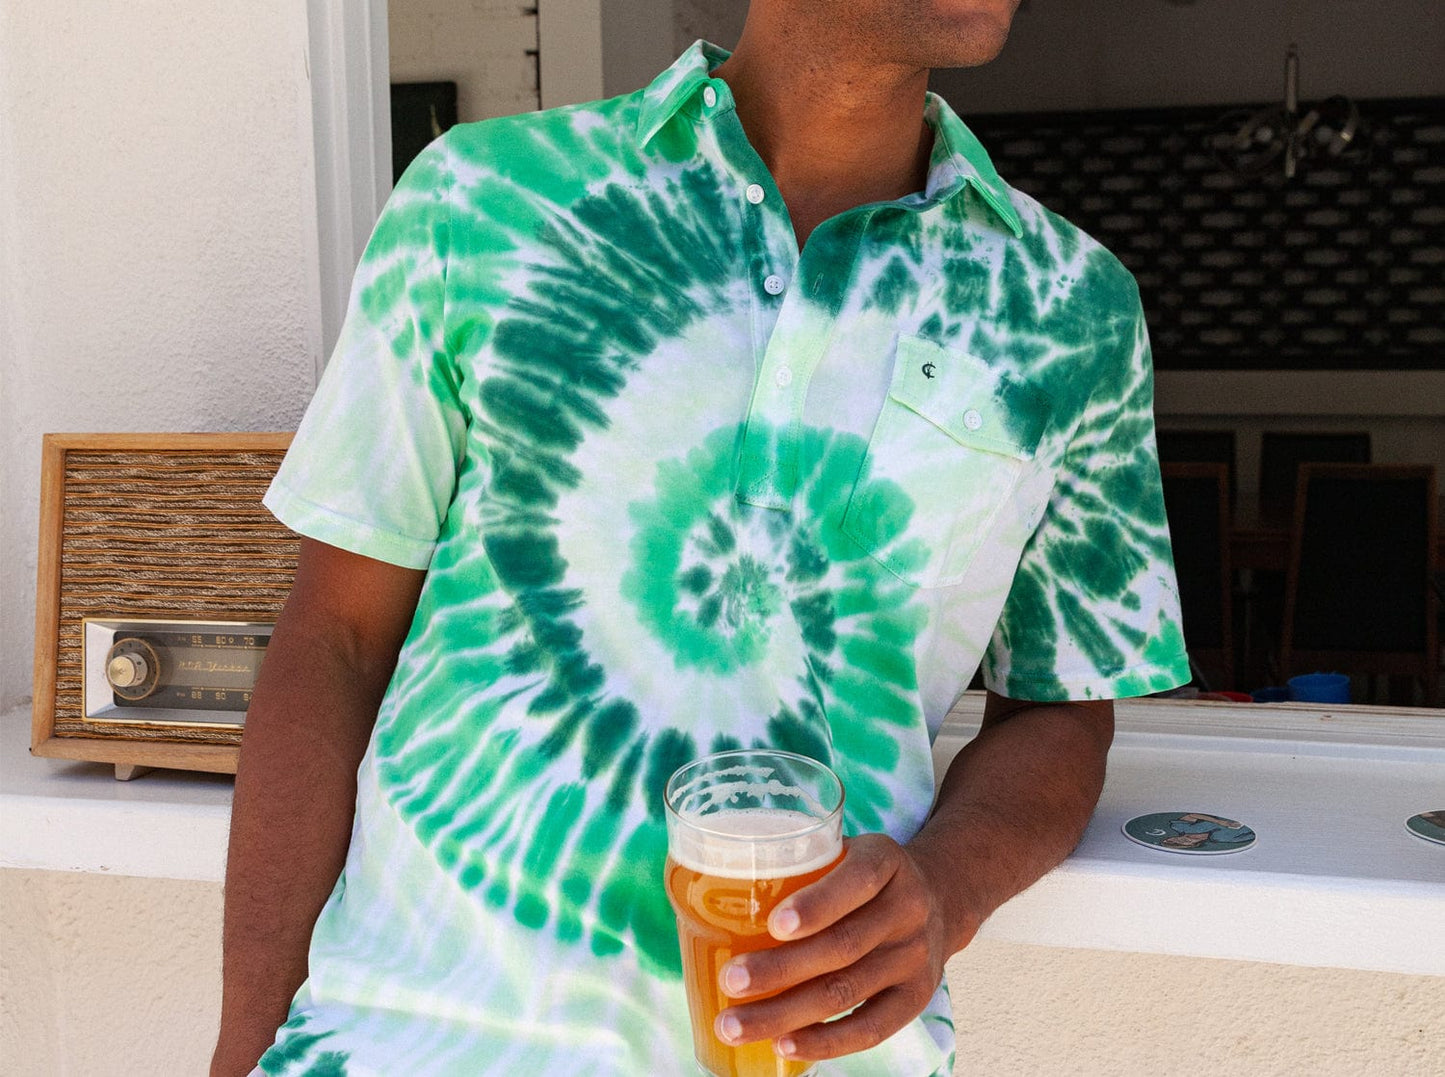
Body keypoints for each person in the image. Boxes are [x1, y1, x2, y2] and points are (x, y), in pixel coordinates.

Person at [211, 1, 1190, 1074]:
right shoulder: (481, 201)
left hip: (806, 1054)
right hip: (411, 1042)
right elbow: (336, 641)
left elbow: (1060, 706)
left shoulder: (1068, 308)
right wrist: (247, 1046)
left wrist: (944, 889)